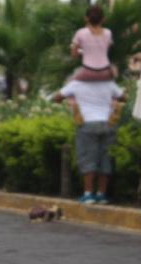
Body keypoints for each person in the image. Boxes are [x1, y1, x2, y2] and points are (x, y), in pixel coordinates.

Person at [53, 76, 125, 204]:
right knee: (106, 157)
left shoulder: (77, 83)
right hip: (108, 123)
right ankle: (102, 195)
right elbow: (123, 97)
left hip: (87, 123)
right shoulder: (108, 83)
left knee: (88, 157)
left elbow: (57, 98)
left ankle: (88, 194)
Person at [71, 5, 117, 82]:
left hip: (88, 71)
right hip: (105, 71)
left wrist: (83, 51)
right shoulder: (108, 33)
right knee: (116, 92)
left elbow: (74, 55)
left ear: (86, 18)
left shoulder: (80, 33)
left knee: (68, 90)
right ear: (103, 19)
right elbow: (105, 49)